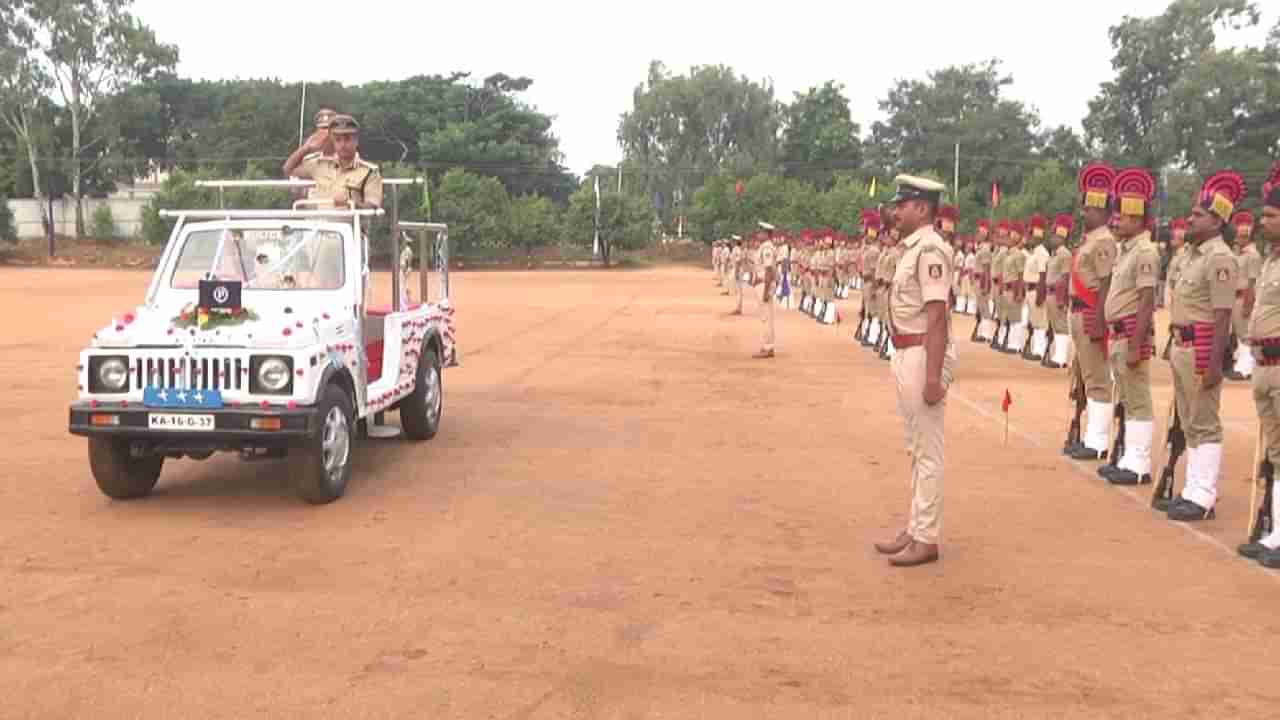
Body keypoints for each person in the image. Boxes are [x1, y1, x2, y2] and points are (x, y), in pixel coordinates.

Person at [873, 175, 955, 567]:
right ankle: (916, 526)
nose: (895, 211)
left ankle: (927, 538)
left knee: (927, 452)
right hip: (906, 350)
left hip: (923, 353)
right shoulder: (912, 249)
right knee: (915, 447)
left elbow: (937, 317)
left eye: (902, 205)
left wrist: (934, 378)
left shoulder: (930, 251)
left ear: (922, 209)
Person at [1159, 170, 1247, 522]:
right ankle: (1192, 489)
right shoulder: (1193, 255)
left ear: (1216, 221)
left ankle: (1204, 493)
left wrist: (1215, 363)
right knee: (1190, 420)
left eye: (1198, 215)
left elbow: (1223, 315)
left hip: (1202, 348)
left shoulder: (1219, 258)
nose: (1190, 219)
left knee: (1205, 421)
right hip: (1182, 346)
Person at [1097, 167, 1159, 485]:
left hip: (1131, 333)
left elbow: (1148, 299)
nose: (1115, 221)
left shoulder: (1146, 251)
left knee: (1137, 398)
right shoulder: (1126, 250)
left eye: (1120, 217)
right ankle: (1129, 457)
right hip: (1118, 333)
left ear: (1136, 219)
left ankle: (1139, 463)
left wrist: (1136, 343)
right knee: (1128, 397)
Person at [1239, 161, 1280, 566]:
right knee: (1276, 451)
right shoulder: (1271, 260)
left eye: (1270, 215)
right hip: (1264, 364)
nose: (1262, 222)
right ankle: (1276, 533)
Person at [1066, 163, 1119, 461]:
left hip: (1090, 313)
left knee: (1097, 377)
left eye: (1089, 210)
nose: (1084, 213)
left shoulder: (1104, 242)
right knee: (1084, 374)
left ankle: (1098, 441)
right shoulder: (1090, 240)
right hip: (1079, 311)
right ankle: (1090, 435)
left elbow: (1105, 283)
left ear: (1102, 212)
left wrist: (1098, 320)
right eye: (1084, 208)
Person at [283, 114, 383, 210]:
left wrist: (351, 204)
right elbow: (288, 169)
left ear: (356, 141)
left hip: (349, 225)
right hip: (319, 225)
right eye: (338, 140)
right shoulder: (320, 165)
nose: (343, 145)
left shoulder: (369, 172)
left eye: (347, 139)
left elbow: (373, 206)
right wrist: (306, 148)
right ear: (333, 142)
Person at [1228, 210, 1261, 381]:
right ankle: (1242, 364)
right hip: (1233, 298)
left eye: (1243, 234)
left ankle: (1246, 368)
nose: (1240, 237)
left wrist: (1249, 304)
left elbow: (1252, 282)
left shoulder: (1253, 255)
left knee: (1245, 334)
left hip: (1243, 298)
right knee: (1238, 333)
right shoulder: (1236, 253)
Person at [1046, 213, 1075, 368]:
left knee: (1061, 325)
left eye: (1055, 236)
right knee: (1056, 326)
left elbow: (1065, 277)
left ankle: (1061, 358)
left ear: (1061, 237)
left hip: (1057, 294)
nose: (1052, 239)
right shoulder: (1056, 254)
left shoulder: (1064, 254)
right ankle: (1058, 354)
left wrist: (1061, 298)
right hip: (1050, 292)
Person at [1025, 215, 1052, 360]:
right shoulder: (1033, 252)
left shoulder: (1042, 253)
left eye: (1031, 235)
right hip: (1030, 289)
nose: (1028, 238)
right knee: (1035, 322)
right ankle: (1036, 349)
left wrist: (1040, 294)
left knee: (1041, 323)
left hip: (1037, 289)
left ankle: (1040, 351)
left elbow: (1043, 275)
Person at [754, 231, 779, 359]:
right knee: (765, 317)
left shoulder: (767, 248)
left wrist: (766, 290)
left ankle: (768, 347)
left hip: (765, 284)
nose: (758, 234)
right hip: (763, 283)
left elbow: (769, 270)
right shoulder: (764, 247)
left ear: (767, 234)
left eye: (761, 232)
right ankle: (767, 346)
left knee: (766, 318)